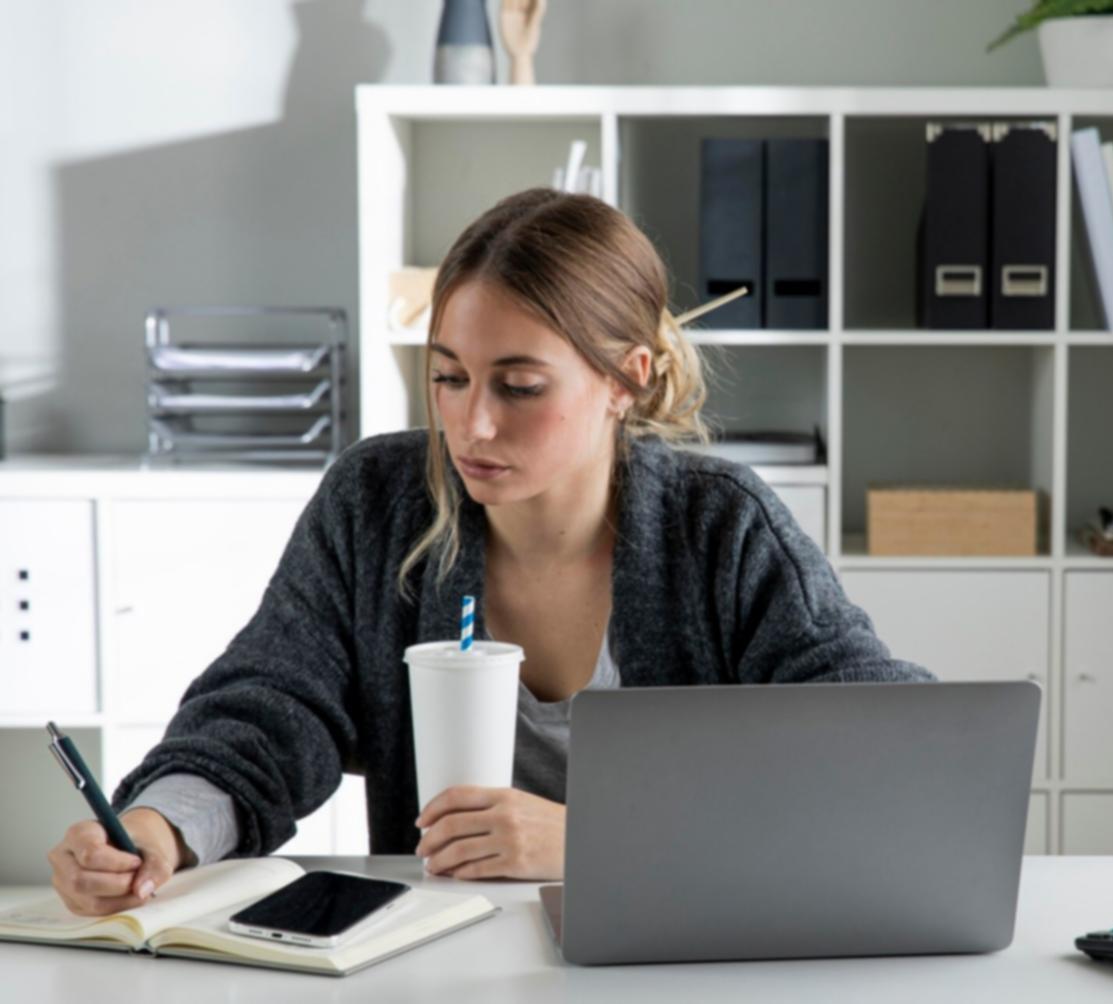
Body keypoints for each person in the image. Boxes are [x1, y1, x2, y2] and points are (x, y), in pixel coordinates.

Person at [47, 188, 934, 916]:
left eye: (519, 386)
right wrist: (160, 829)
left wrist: (598, 841)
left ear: (627, 380)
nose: (471, 424)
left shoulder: (720, 528)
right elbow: (270, 709)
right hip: (440, 956)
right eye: (448, 376)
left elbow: (883, 752)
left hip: (670, 962)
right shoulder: (376, 502)